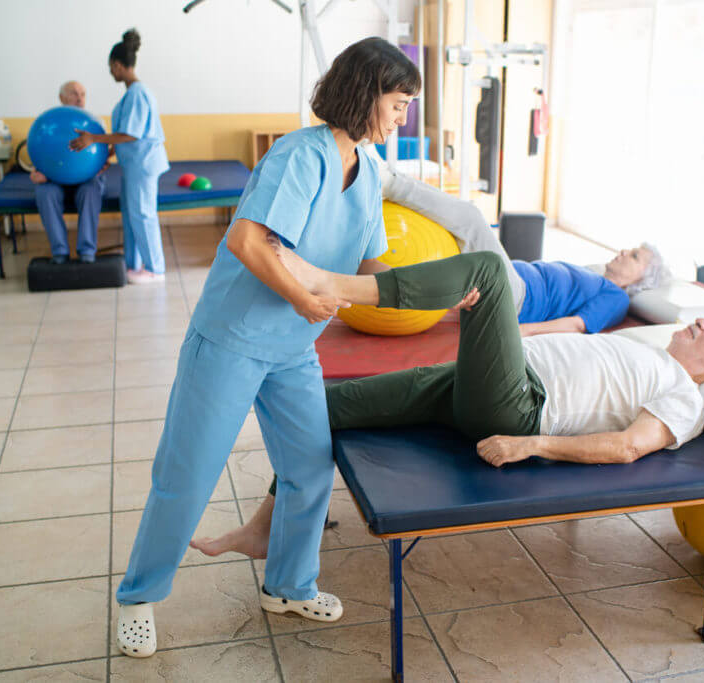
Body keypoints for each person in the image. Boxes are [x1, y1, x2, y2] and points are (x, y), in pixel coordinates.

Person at [109, 38, 463, 660]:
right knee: (186, 477)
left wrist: (439, 294)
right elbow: (247, 242)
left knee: (307, 467)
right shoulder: (299, 156)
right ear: (366, 92)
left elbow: (372, 263)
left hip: (294, 349)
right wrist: (303, 298)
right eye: (399, 103)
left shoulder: (369, 172)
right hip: (233, 339)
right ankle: (139, 596)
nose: (403, 116)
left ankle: (288, 583)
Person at [191, 248, 704, 561]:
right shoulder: (644, 348)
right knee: (325, 404)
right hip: (481, 381)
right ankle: (266, 529)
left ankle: (335, 286)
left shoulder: (686, 399)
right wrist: (495, 331)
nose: (702, 320)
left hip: (518, 406)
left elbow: (627, 447)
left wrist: (528, 445)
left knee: (487, 268)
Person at [364, 149, 668, 336]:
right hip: (511, 282)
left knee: (470, 218)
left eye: (636, 257)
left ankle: (389, 181)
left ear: (641, 279)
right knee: (452, 233)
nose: (626, 252)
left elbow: (577, 325)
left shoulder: (617, 298)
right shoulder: (595, 273)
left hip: (516, 299)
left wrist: (518, 333)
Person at [70, 29, 168, 285]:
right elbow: (128, 135)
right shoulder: (132, 93)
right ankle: (133, 264)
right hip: (134, 164)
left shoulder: (137, 93)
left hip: (142, 165)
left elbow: (131, 134)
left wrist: (93, 139)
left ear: (117, 64)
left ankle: (155, 269)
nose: (111, 72)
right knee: (131, 213)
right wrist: (109, 149)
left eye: (110, 68)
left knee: (143, 214)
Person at [31, 80, 105, 264]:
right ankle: (59, 251)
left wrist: (102, 166)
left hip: (86, 178)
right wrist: (36, 172)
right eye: (74, 93)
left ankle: (87, 251)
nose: (79, 98)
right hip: (55, 179)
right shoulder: (50, 123)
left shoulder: (95, 123)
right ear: (62, 98)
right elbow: (40, 153)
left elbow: (101, 156)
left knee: (91, 189)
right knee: (44, 192)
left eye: (83, 94)